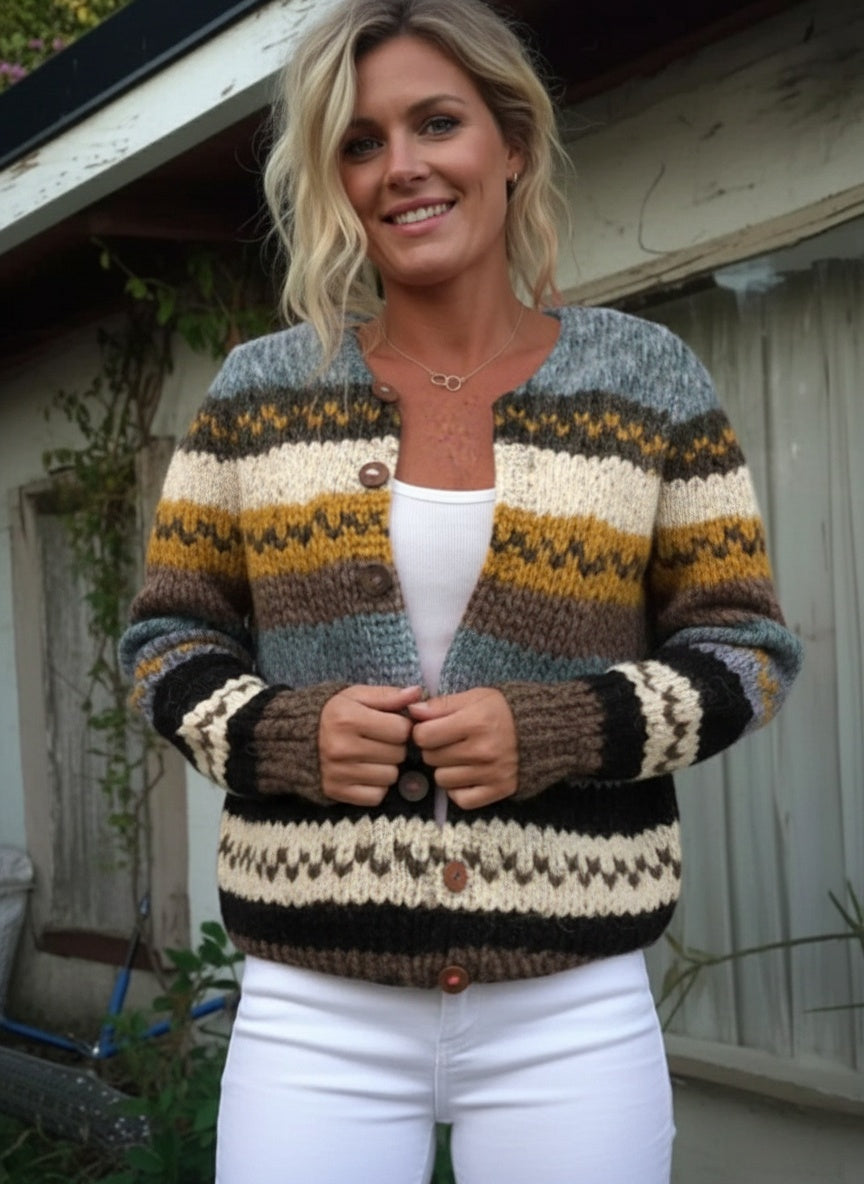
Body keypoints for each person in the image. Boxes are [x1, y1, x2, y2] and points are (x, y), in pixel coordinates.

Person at [120, 1, 803, 1181]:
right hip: (314, 1005)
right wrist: (283, 732)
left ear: (513, 142)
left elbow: (745, 647)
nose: (402, 165)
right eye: (361, 141)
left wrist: (561, 726)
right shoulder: (258, 395)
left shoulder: (646, 381)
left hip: (571, 999)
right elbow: (163, 642)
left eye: (437, 122)